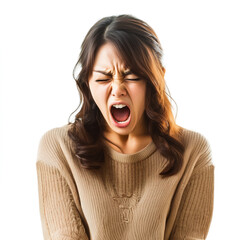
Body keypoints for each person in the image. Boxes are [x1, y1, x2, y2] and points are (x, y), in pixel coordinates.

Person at [36, 14, 214, 240]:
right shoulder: (57, 148)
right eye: (103, 79)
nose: (118, 88)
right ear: (87, 84)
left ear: (156, 80)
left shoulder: (193, 150)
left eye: (132, 76)